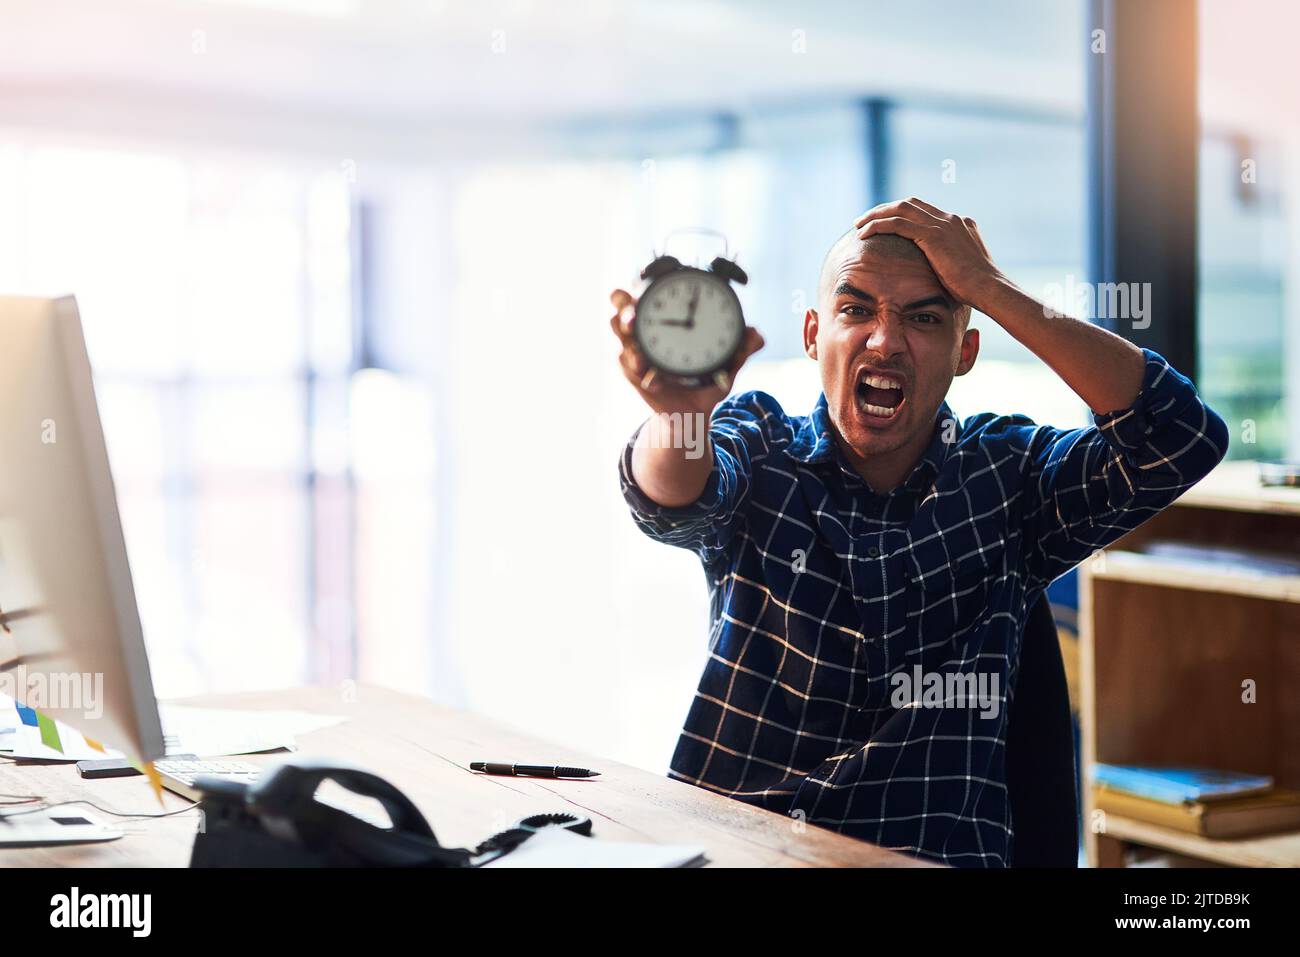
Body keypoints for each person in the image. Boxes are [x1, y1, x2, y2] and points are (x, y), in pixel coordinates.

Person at [609, 198, 1228, 866]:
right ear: (814, 334)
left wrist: (991, 289)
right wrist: (679, 416)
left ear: (965, 351)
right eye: (856, 310)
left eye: (924, 317)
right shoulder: (760, 445)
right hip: (738, 850)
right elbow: (671, 497)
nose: (884, 340)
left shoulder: (1010, 476)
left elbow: (1181, 434)